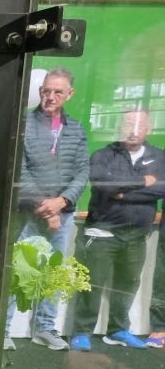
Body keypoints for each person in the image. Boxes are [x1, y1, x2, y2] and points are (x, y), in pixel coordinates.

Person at [5, 67, 89, 351]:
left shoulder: (76, 129)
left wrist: (61, 203)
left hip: (62, 215)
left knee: (54, 273)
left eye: (57, 92)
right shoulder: (23, 125)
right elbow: (20, 169)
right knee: (18, 270)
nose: (50, 97)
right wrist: (46, 206)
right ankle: (2, 331)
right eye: (46, 91)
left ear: (69, 94)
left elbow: (82, 172)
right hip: (28, 213)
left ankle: (45, 328)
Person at [70, 110, 165, 351]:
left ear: (148, 129)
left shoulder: (160, 157)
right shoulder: (103, 155)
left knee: (127, 284)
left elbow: (161, 189)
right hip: (103, 231)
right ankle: (81, 332)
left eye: (139, 125)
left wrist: (123, 192)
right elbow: (104, 185)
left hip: (137, 235)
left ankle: (118, 330)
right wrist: (144, 182)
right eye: (128, 124)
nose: (133, 130)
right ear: (120, 127)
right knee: (92, 283)